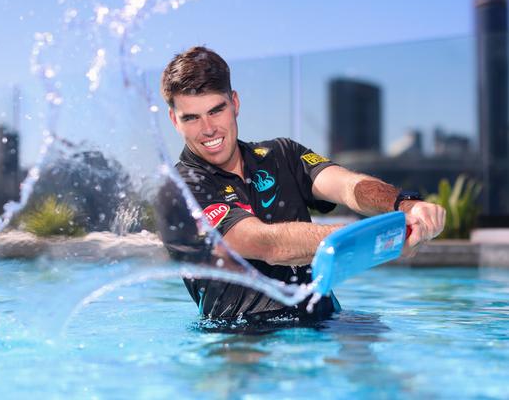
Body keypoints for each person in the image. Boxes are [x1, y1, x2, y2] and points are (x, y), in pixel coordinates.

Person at [158, 46, 446, 323]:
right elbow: (265, 244)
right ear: (174, 120)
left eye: (216, 110)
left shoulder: (281, 154)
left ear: (235, 103)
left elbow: (348, 185)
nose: (208, 129)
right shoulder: (179, 191)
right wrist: (383, 238)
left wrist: (405, 205)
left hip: (325, 318)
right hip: (242, 338)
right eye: (192, 118)